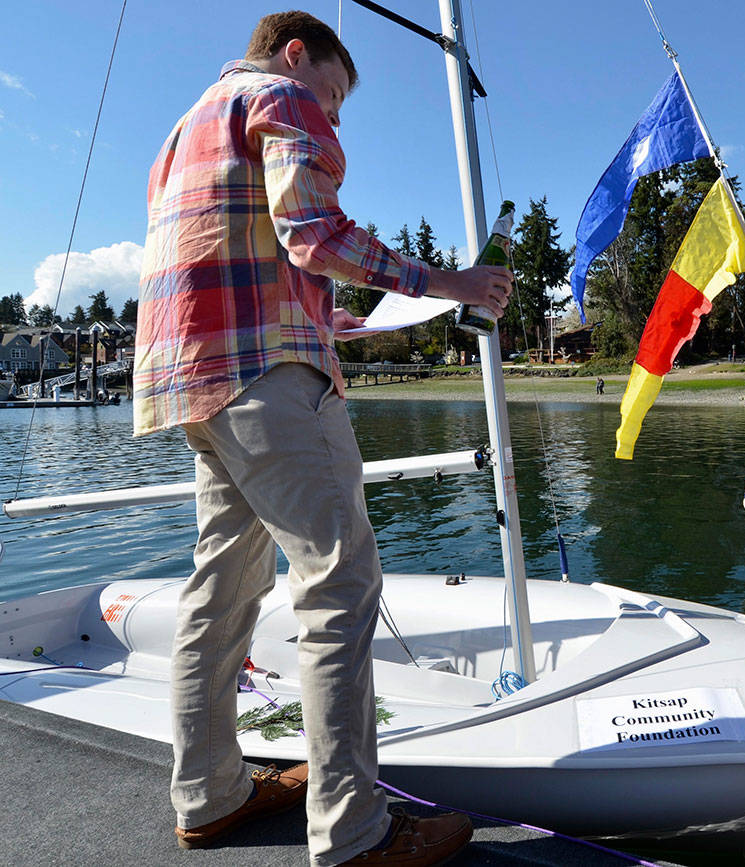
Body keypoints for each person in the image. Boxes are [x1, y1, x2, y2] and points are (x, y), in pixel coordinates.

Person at [132, 12, 512, 865]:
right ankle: (354, 832)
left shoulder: (183, 130)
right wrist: (449, 282)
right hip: (269, 378)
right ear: (296, 54)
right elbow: (311, 234)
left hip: (193, 382)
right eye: (334, 92)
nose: (334, 115)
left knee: (220, 589)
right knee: (339, 581)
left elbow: (232, 254)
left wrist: (326, 319)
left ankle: (209, 794)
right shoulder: (282, 96)